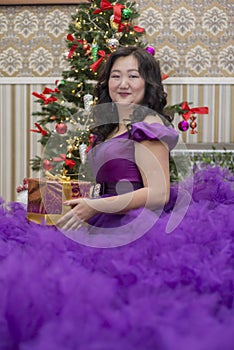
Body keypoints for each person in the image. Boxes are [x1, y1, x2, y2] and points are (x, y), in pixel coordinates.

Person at [57, 46, 179, 240]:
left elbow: (159, 194)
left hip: (131, 227)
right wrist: (43, 193)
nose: (123, 84)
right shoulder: (111, 128)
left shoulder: (148, 126)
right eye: (116, 76)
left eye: (133, 76)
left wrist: (96, 206)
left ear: (148, 83)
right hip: (103, 219)